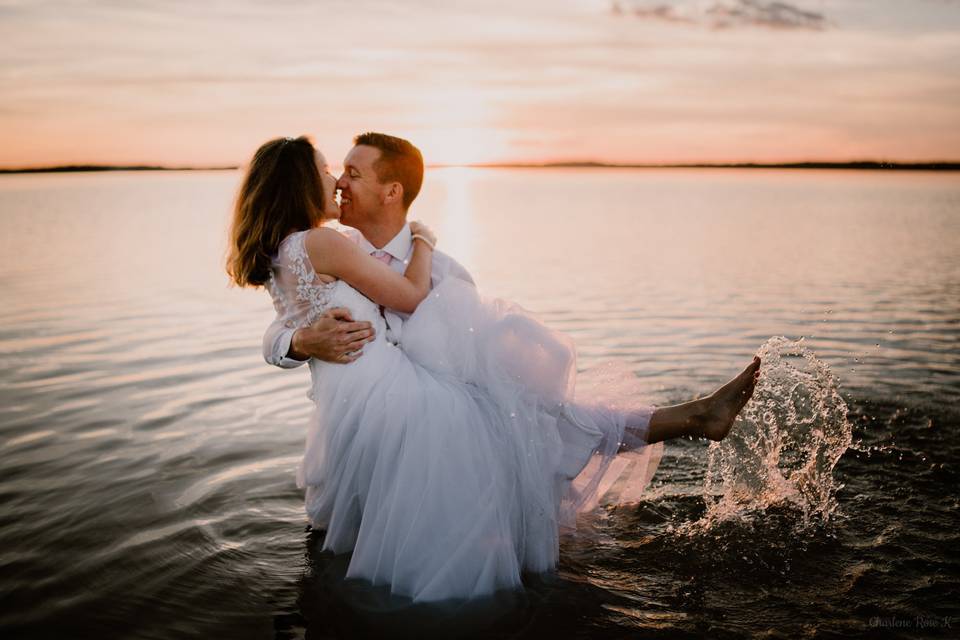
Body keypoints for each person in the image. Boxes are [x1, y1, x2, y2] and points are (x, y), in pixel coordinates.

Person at [229, 133, 761, 603]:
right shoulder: (333, 244)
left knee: (546, 422)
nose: (337, 181)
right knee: (531, 435)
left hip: (376, 401)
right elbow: (296, 326)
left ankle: (692, 418)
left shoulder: (423, 268)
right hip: (382, 404)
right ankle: (690, 419)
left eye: (349, 172)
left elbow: (455, 335)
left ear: (392, 191)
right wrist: (301, 339)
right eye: (329, 170)